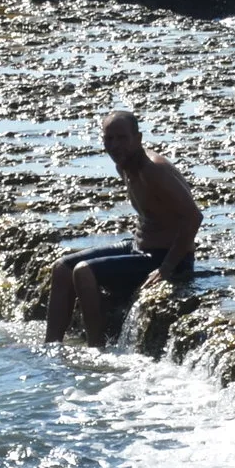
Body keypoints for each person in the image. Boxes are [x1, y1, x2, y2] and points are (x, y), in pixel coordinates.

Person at [45, 111, 203, 348]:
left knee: (84, 272)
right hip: (139, 247)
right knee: (62, 268)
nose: (115, 145)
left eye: (122, 138)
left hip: (167, 257)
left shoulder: (154, 169)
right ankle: (50, 348)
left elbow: (194, 216)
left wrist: (166, 268)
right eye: (109, 139)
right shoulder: (124, 166)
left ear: (138, 138)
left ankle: (96, 349)